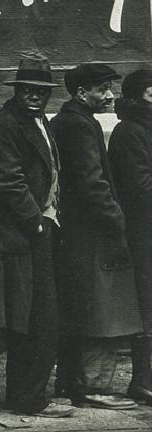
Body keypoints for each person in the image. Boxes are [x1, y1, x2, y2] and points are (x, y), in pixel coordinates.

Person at [0, 57, 74, 418]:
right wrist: (36, 222)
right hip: (24, 234)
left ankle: (29, 394)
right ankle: (28, 398)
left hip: (42, 227)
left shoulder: (38, 120)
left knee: (40, 318)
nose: (34, 96)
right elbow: (7, 180)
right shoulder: (8, 123)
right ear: (17, 91)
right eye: (27, 90)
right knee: (33, 319)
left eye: (41, 91)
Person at [53, 62, 142, 410]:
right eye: (102, 88)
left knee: (80, 307)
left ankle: (71, 382)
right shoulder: (79, 125)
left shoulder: (68, 120)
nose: (109, 95)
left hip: (75, 232)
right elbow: (92, 183)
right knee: (104, 309)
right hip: (94, 232)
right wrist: (118, 219)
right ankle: (94, 386)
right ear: (81, 93)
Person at [110, 69, 152, 406]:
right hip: (143, 232)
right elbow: (139, 187)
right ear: (139, 96)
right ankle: (142, 381)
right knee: (146, 306)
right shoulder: (129, 131)